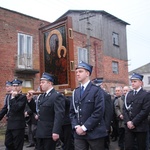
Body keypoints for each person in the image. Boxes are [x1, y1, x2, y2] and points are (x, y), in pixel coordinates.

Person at [70, 61, 107, 150]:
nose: (77, 74)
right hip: (79, 134)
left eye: (80, 71)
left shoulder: (96, 90)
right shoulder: (76, 91)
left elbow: (98, 112)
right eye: (77, 72)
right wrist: (76, 126)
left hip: (95, 132)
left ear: (87, 73)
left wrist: (84, 127)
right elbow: (72, 112)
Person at [26, 72, 65, 150]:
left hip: (49, 132)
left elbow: (59, 115)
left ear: (50, 83)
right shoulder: (42, 96)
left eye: (43, 82)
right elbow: (38, 111)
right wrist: (30, 101)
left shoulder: (56, 96)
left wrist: (56, 131)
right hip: (40, 131)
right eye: (40, 82)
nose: (41, 84)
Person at [123, 72, 150, 150]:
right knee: (128, 146)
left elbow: (145, 111)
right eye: (131, 81)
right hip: (129, 127)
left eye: (135, 81)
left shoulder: (146, 95)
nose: (132, 83)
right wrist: (128, 121)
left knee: (141, 146)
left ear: (141, 83)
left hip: (140, 126)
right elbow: (125, 109)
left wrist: (133, 122)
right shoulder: (129, 94)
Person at [0, 79, 27, 150]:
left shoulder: (23, 97)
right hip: (10, 124)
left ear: (20, 87)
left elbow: (16, 108)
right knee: (8, 143)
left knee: (17, 145)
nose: (14, 87)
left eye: (16, 86)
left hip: (18, 125)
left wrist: (13, 98)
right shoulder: (10, 96)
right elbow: (5, 108)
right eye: (13, 86)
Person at [92, 78, 113, 150]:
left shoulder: (105, 95)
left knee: (104, 145)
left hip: (103, 124)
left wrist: (107, 126)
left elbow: (108, 112)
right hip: (95, 125)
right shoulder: (92, 94)